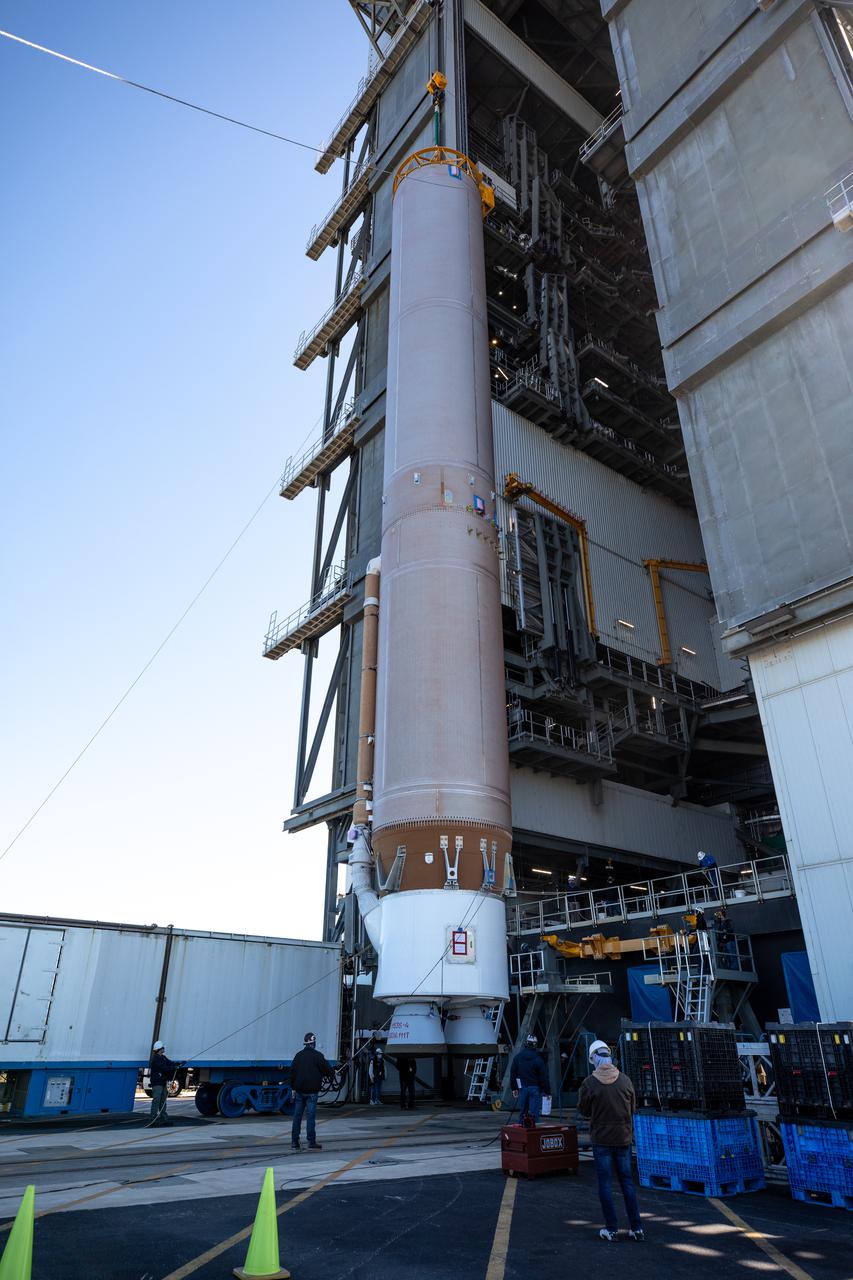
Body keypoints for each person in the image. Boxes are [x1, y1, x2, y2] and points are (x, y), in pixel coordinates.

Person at [578, 1039, 643, 1243]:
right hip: (623, 1138)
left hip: (602, 1140)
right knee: (627, 1183)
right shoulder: (625, 1080)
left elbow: (584, 1110)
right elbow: (632, 1108)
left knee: (605, 1184)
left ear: (593, 1058)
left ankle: (612, 1229)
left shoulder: (589, 1083)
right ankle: (637, 1228)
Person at [290, 1031, 332, 1151]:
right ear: (313, 1043)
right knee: (310, 1117)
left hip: (299, 1091)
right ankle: (311, 1141)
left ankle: (294, 1142)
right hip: (312, 1092)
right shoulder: (318, 1056)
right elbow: (328, 1071)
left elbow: (292, 1072)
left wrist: (293, 1087)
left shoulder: (298, 1056)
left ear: (305, 1043)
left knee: (297, 1116)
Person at [511, 1033, 550, 1123]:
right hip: (534, 1088)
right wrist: (547, 1091)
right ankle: (534, 1131)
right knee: (534, 1112)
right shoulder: (538, 1059)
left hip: (523, 1088)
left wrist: (514, 1088)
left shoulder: (518, 1057)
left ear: (526, 1043)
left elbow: (513, 1073)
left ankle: (521, 1130)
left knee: (523, 1112)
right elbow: (544, 1077)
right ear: (535, 1045)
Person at [148, 1040, 181, 1127]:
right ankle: (153, 1119)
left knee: (163, 1100)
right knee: (157, 1100)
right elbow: (163, 1068)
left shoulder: (163, 1057)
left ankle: (164, 1119)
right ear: (159, 1049)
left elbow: (169, 1063)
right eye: (163, 1047)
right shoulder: (155, 1059)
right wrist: (174, 1067)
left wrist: (178, 1063)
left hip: (162, 1082)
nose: (164, 1048)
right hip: (157, 1083)